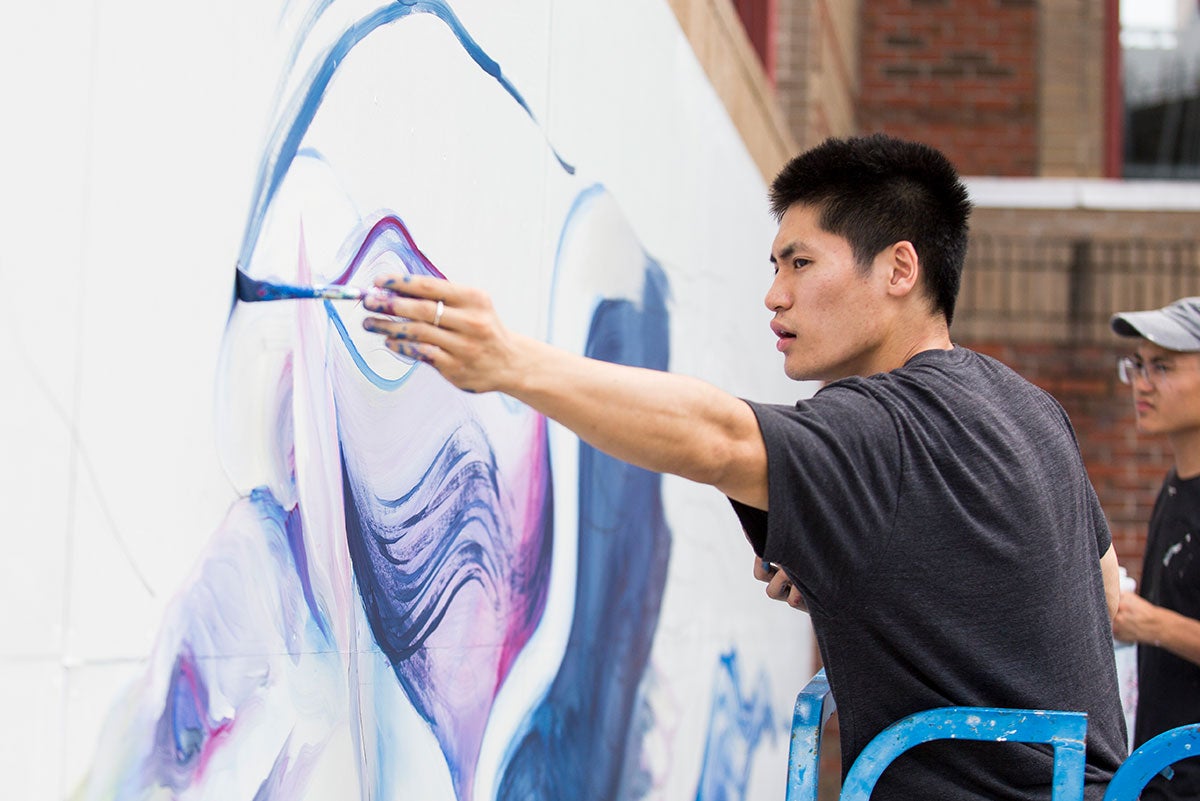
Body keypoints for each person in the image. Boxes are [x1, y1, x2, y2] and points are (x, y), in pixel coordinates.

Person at [361, 133, 1128, 800]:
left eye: (800, 262)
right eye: (774, 264)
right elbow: (1103, 594)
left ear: (900, 269)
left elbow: (718, 437)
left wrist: (508, 362)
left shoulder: (879, 426)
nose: (774, 294)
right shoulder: (1031, 410)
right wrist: (891, 588)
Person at [1109, 297, 1200, 799]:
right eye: (1137, 365)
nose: (1142, 383)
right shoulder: (1176, 482)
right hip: (1161, 774)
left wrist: (1148, 622)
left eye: (1162, 366)